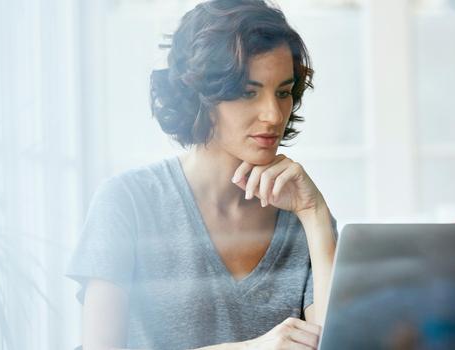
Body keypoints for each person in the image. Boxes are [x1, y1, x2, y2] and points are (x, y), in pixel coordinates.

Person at [67, 1, 338, 349]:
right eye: (247, 92)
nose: (273, 114)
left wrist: (315, 216)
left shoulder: (304, 215)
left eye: (283, 92)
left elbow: (339, 343)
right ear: (199, 95)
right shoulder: (127, 202)